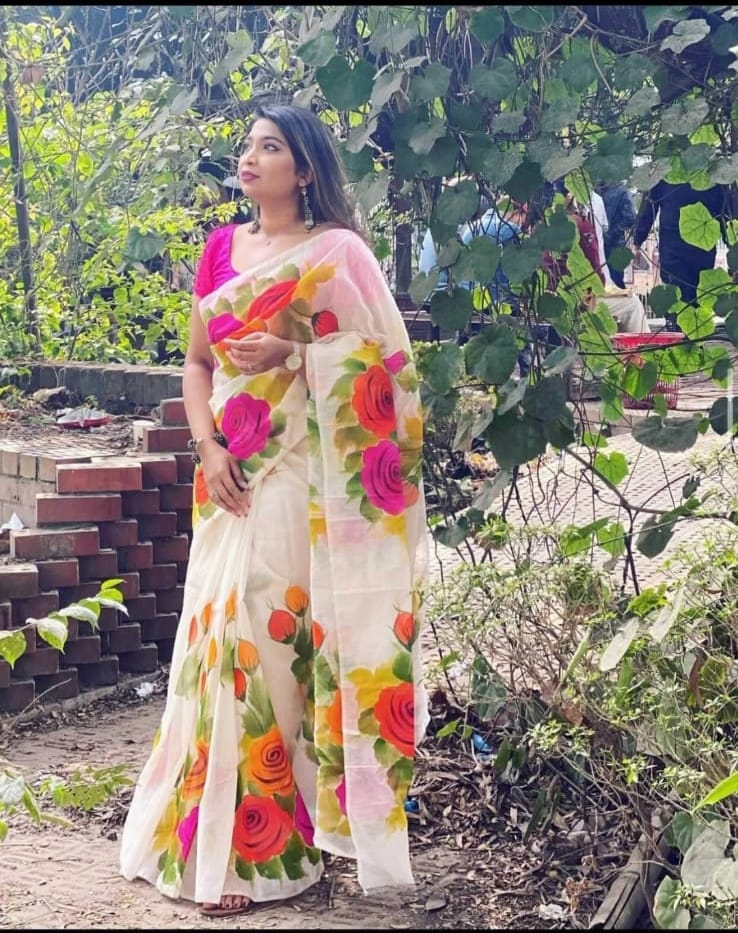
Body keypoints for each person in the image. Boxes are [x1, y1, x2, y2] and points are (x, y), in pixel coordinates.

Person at [119, 103, 429, 918]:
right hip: (228, 474)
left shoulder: (338, 255)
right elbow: (196, 364)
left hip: (297, 476)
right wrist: (207, 448)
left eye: (270, 146)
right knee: (213, 641)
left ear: (306, 168)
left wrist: (297, 353)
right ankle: (204, 837)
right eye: (247, 145)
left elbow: (390, 368)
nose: (249, 157)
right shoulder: (222, 249)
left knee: (266, 643)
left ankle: (266, 849)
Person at [632, 180, 731, 326]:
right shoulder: (710, 172)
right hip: (700, 243)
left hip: (677, 245)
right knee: (696, 296)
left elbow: (649, 206)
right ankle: (691, 334)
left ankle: (679, 333)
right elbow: (725, 211)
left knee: (677, 297)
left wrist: (637, 240)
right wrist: (731, 243)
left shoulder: (666, 172)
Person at [598, 181, 636, 288]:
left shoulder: (622, 192)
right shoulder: (596, 190)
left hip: (614, 244)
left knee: (615, 282)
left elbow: (630, 217)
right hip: (599, 243)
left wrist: (614, 232)